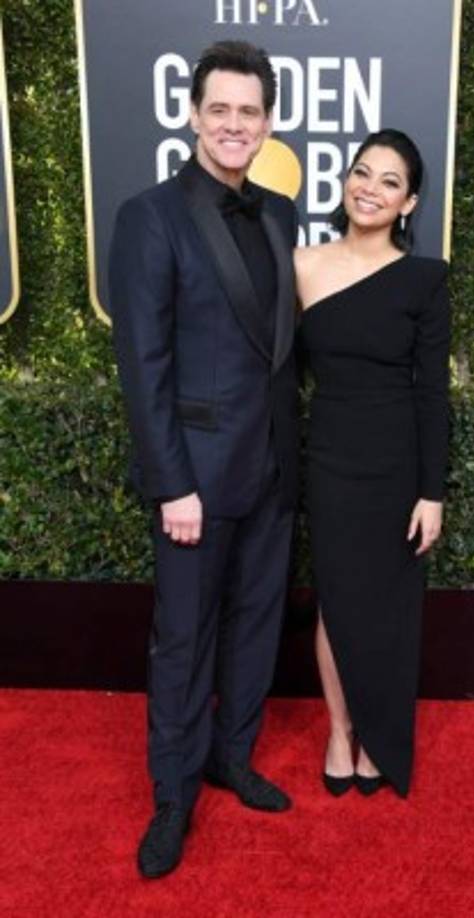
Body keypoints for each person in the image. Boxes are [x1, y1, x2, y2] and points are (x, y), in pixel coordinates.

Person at [109, 40, 299, 878]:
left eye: (248, 111)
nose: (233, 124)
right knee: (183, 640)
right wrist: (171, 483)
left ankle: (231, 755)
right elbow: (142, 363)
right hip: (195, 478)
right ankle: (173, 795)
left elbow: (278, 350)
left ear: (267, 122)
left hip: (269, 470)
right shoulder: (149, 217)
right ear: (192, 115)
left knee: (256, 625)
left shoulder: (278, 214)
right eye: (218, 109)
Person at [294, 129, 451, 798]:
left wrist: (431, 491)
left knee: (385, 606)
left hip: (394, 465)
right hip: (328, 456)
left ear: (408, 202)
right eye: (363, 172)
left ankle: (380, 736)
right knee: (335, 600)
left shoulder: (425, 277)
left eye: (389, 181)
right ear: (345, 180)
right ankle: (339, 732)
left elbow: (431, 390)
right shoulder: (300, 263)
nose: (370, 187)